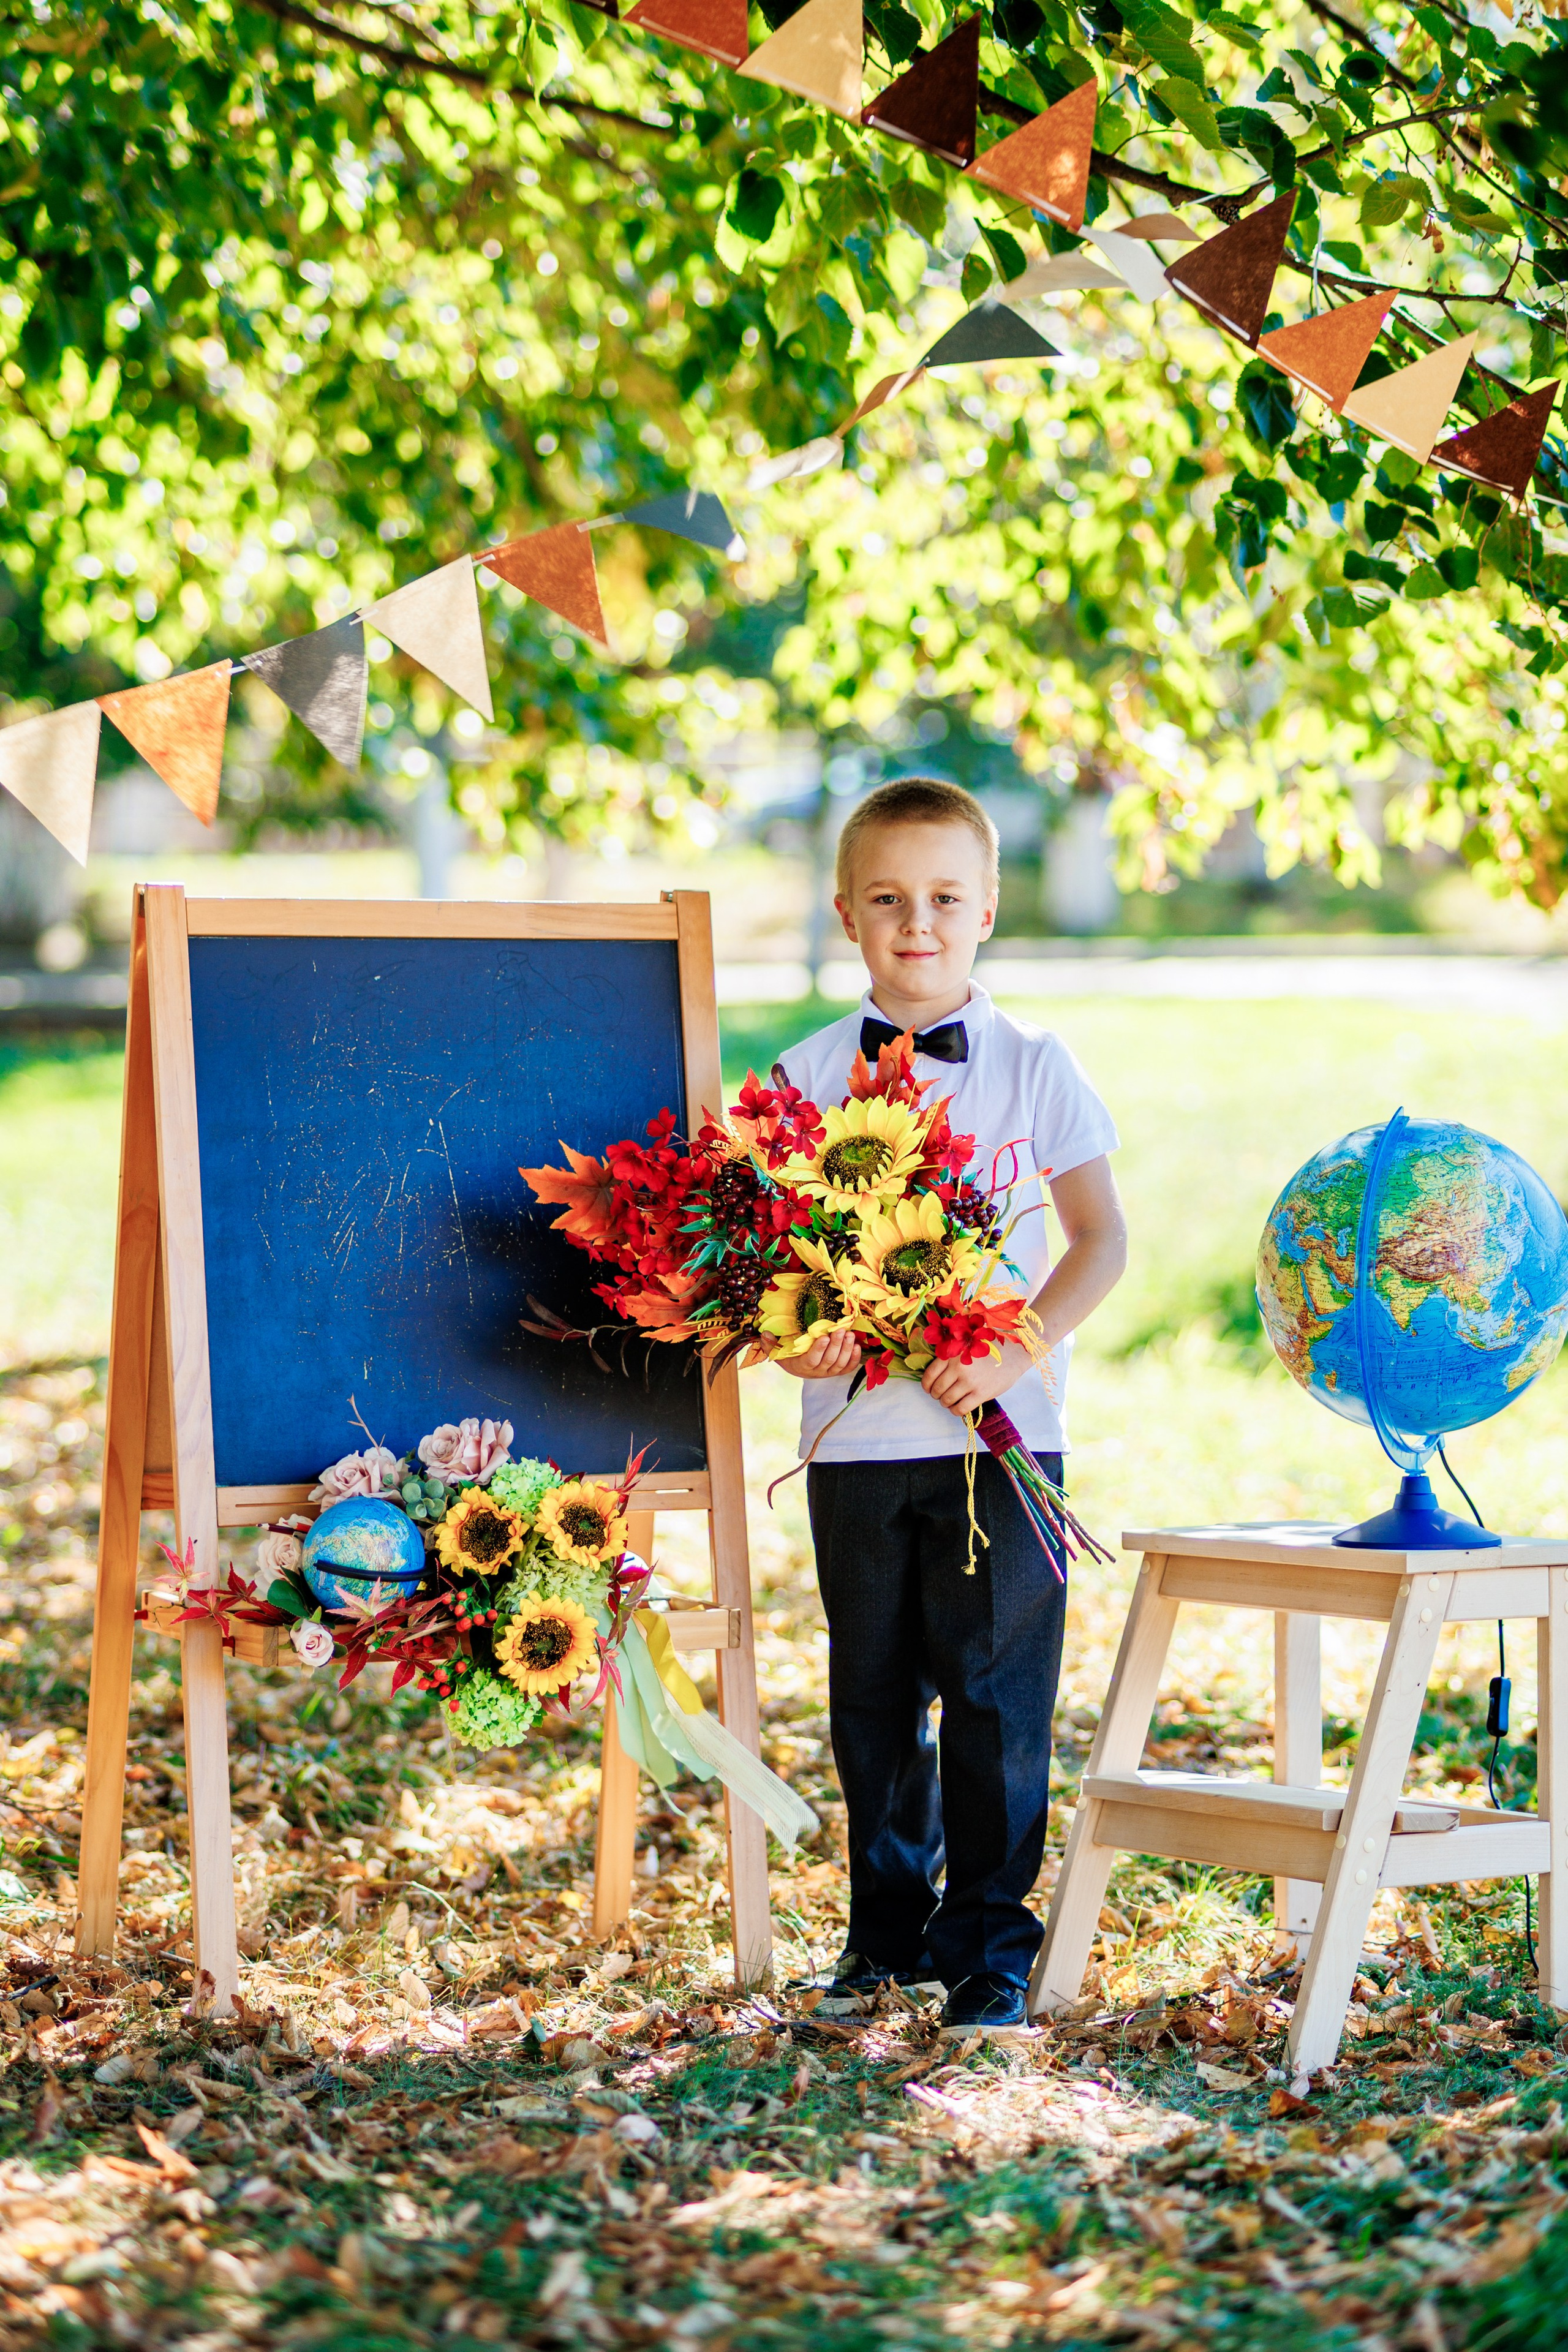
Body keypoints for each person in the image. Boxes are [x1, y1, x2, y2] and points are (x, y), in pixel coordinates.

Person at [776, 776, 1127, 2037]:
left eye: (939, 899)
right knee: (870, 1694)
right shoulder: (799, 1076)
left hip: (1001, 1439)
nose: (912, 923)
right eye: (885, 899)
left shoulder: (1036, 1068)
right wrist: (796, 1341)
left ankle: (989, 1947)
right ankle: (882, 1937)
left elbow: (1096, 1242)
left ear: (984, 912)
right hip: (853, 1442)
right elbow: (770, 1268)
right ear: (843, 913)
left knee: (990, 1696)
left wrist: (1011, 1352)